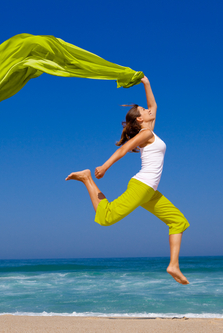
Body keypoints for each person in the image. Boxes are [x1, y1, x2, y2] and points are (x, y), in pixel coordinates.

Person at [65, 76, 190, 285]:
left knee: (178, 221)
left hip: (149, 191)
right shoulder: (146, 133)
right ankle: (87, 178)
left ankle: (173, 265)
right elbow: (123, 149)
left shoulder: (150, 129)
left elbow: (153, 105)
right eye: (144, 111)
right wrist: (104, 166)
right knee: (106, 218)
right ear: (140, 119)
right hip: (141, 186)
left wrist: (146, 82)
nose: (149, 111)